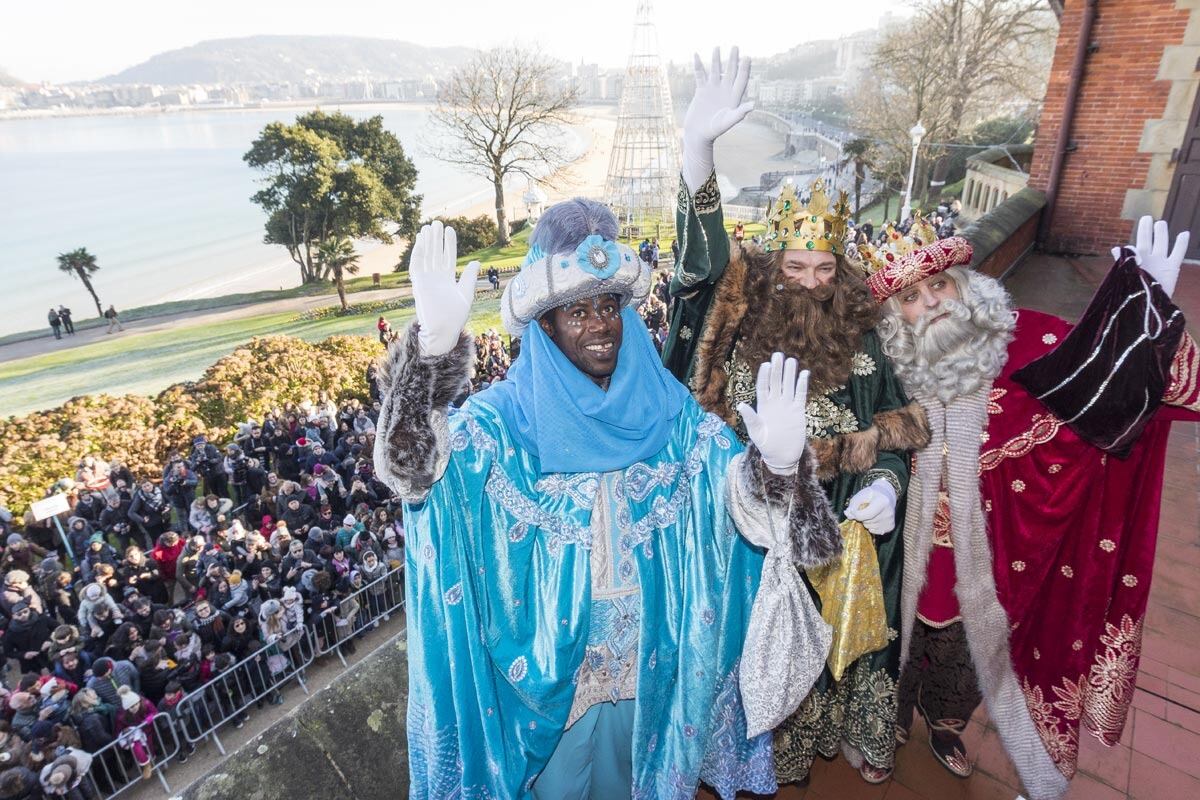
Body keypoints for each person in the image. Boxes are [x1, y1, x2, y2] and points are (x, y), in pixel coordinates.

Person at [375, 209, 843, 799]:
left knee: (632, 784)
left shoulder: (665, 408)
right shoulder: (500, 422)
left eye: (610, 307)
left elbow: (733, 501)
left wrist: (774, 467)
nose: (601, 326)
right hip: (545, 679)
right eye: (578, 310)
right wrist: (427, 358)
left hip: (647, 662)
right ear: (544, 325)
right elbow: (413, 475)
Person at [662, 47, 930, 785]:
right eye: (795, 268)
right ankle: (758, 749)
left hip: (843, 526)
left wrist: (886, 485)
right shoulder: (739, 318)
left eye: (824, 269)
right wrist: (697, 155)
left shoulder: (868, 332)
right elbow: (700, 263)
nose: (810, 284)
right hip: (751, 526)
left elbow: (898, 427)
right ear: (774, 265)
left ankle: (833, 734)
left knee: (840, 643)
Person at [864, 221, 1199, 798]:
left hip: (997, 552)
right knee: (895, 636)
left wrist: (1151, 319)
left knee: (969, 649)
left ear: (966, 284)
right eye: (911, 299)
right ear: (897, 319)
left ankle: (944, 725)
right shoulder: (885, 374)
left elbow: (1125, 386)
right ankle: (887, 722)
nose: (932, 304)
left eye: (939, 285)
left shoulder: (1036, 340)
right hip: (901, 544)